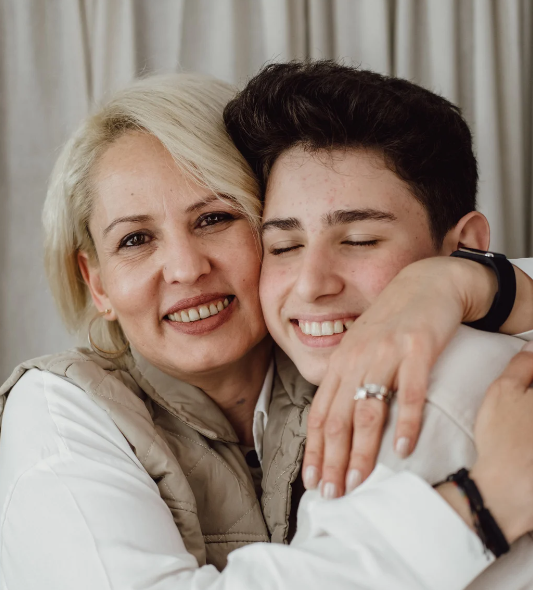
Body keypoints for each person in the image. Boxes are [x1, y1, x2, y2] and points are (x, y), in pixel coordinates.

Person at [0, 70, 532, 589]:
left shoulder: (349, 358)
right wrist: (484, 504)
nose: (186, 268)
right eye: (135, 240)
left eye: (214, 218)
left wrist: (463, 279)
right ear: (97, 284)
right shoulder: (59, 412)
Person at [223, 61, 533, 588]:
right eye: (284, 246)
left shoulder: (398, 410)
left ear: (465, 247)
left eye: (360, 240)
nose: (311, 283)